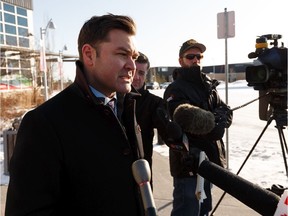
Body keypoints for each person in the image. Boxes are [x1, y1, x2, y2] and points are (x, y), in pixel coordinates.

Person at [5, 14, 146, 216]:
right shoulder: (44, 123)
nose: (132, 66)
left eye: (134, 56)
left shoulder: (128, 108)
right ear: (89, 55)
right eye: (123, 54)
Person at [164, 39, 233, 216]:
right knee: (187, 210)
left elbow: (225, 109)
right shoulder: (175, 88)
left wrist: (220, 119)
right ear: (181, 60)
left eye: (199, 56)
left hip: (208, 161)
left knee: (204, 209)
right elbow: (182, 116)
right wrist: (213, 122)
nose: (196, 60)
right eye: (190, 56)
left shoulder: (209, 85)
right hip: (188, 163)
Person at [132, 52, 166, 187]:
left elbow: (168, 132)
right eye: (133, 71)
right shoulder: (111, 100)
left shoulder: (155, 103)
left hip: (143, 176)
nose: (136, 77)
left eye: (141, 73)